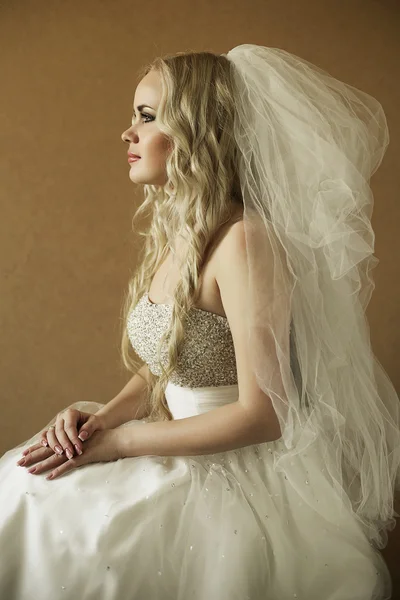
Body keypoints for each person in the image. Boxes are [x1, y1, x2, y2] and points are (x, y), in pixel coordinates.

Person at [0, 44, 399, 600]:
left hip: (231, 475)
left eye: (146, 116)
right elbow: (168, 366)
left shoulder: (245, 241)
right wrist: (98, 424)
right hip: (162, 441)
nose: (127, 134)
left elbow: (266, 414)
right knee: (25, 485)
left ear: (196, 131)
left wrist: (123, 442)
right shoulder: (185, 234)